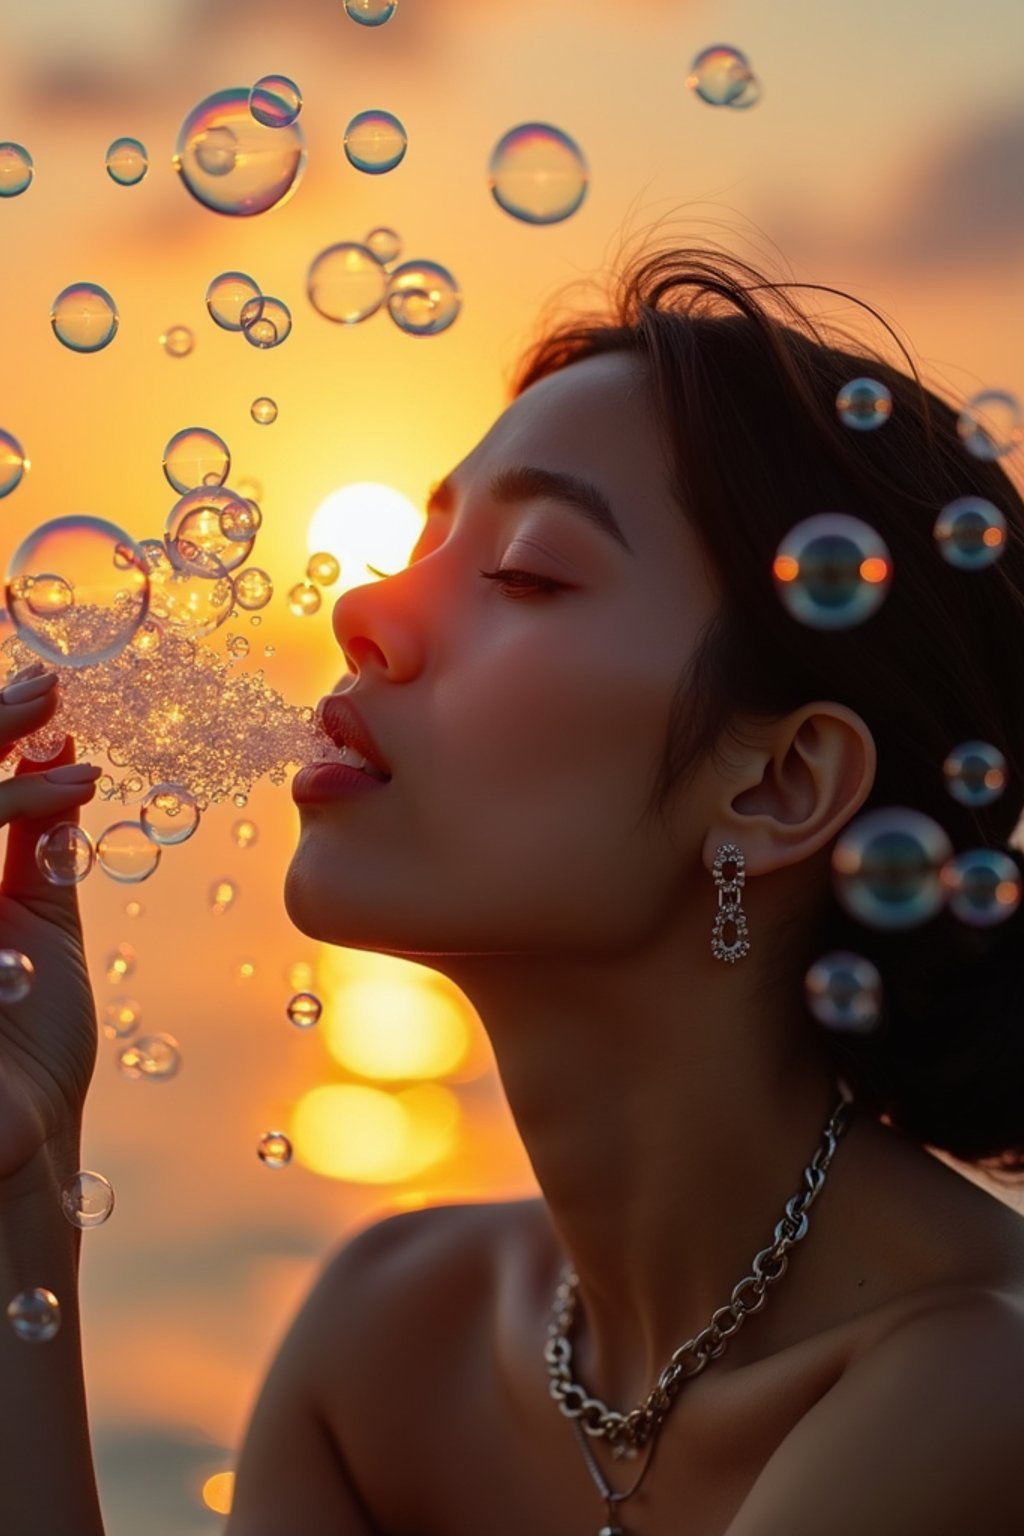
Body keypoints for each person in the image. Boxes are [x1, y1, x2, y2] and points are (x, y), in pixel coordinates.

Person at [3, 244, 1024, 1536]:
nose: (366, 609)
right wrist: (17, 1202)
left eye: (529, 572)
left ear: (779, 786)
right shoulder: (392, 1339)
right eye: (426, 539)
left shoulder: (975, 1389)